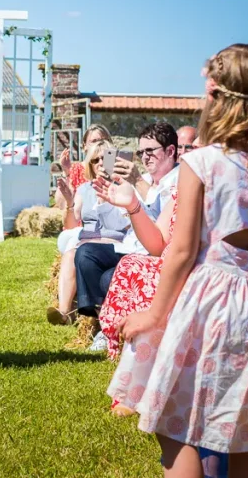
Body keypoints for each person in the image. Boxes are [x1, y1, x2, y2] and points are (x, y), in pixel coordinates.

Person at [108, 44, 248, 478]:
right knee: (244, 434)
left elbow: (179, 253)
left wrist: (153, 316)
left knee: (172, 423)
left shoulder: (203, 163)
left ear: (219, 100)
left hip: (212, 304)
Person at [73, 123, 180, 342]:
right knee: (86, 254)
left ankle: (109, 329)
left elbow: (162, 222)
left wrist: (137, 182)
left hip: (153, 252)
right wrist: (106, 196)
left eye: (150, 151)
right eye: (141, 152)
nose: (145, 157)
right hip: (131, 245)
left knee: (108, 278)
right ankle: (102, 320)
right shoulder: (147, 179)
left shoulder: (178, 181)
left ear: (170, 151)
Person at [49, 141, 132, 331]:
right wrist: (70, 202)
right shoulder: (84, 189)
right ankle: (65, 313)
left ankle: (98, 316)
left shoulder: (122, 187)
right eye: (96, 160)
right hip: (87, 240)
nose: (101, 163)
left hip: (113, 241)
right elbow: (70, 225)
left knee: (83, 252)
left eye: (106, 158)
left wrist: (104, 200)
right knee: (70, 254)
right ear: (90, 164)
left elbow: (123, 225)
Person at [61, 124, 112, 192]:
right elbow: (62, 201)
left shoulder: (116, 167)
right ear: (85, 146)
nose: (99, 144)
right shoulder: (76, 170)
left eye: (104, 140)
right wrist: (66, 171)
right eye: (94, 141)